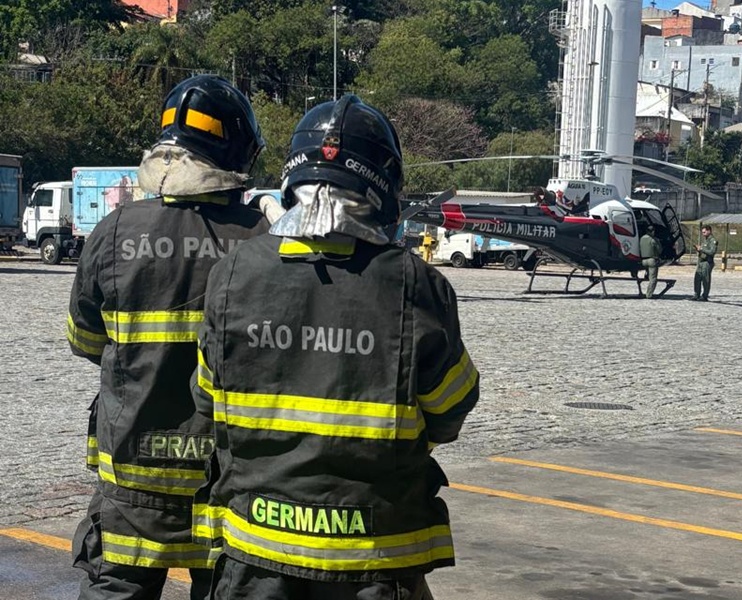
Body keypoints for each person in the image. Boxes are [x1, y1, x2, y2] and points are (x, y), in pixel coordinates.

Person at [190, 94, 480, 600]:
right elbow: (451, 408)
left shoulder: (233, 272)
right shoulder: (415, 282)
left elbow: (207, 398)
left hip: (256, 551)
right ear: (383, 184)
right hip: (375, 553)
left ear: (292, 178)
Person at [67, 74, 270, 600]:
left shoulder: (113, 230)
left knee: (117, 585)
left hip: (132, 468)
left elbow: (86, 341)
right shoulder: (261, 242)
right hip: (225, 473)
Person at [692, 225, 718, 301]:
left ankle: (704, 296)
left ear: (709, 231)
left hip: (707, 262)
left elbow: (712, 252)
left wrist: (702, 249)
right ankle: (696, 294)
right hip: (701, 262)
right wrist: (698, 249)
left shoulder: (712, 241)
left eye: (704, 232)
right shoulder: (705, 240)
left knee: (705, 280)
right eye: (702, 232)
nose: (703, 234)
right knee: (697, 278)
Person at [639, 224, 662, 299]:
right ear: (652, 231)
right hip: (652, 260)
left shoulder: (642, 238)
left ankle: (647, 275)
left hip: (643, 260)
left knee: (649, 275)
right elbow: (659, 250)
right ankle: (649, 295)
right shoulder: (653, 240)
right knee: (653, 279)